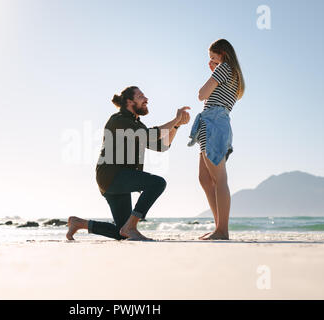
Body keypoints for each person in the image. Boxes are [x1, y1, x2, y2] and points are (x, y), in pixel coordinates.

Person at [67, 86, 190, 241]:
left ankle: (80, 223)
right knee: (157, 183)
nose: (146, 99)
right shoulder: (118, 120)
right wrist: (175, 120)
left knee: (121, 233)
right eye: (141, 96)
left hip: (116, 179)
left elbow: (162, 146)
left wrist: (176, 126)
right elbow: (151, 136)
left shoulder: (136, 123)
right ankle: (131, 226)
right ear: (129, 102)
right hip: (112, 176)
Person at [188, 39, 245, 240]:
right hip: (213, 123)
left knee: (219, 179)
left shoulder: (224, 68)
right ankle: (218, 227)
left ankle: (222, 231)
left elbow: (202, 94)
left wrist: (213, 71)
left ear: (223, 54)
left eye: (213, 57)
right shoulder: (233, 73)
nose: (210, 61)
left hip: (213, 122)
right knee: (205, 178)